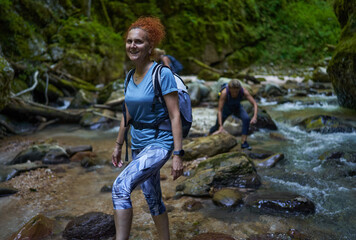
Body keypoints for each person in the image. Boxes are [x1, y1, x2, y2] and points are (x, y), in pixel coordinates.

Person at [111, 17, 184, 240]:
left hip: (159, 144)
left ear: (149, 47)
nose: (132, 46)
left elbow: (175, 115)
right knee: (153, 199)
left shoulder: (162, 74)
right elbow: (127, 113)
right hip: (138, 143)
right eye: (129, 41)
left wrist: (177, 154)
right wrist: (118, 144)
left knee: (120, 188)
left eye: (139, 42)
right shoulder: (129, 76)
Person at [209, 79, 258, 150]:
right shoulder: (224, 93)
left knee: (246, 118)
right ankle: (208, 135)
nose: (235, 93)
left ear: (239, 89)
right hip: (226, 109)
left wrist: (255, 117)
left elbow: (254, 104)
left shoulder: (243, 91)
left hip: (237, 107)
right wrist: (221, 126)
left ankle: (244, 142)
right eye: (233, 92)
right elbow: (219, 110)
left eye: (236, 92)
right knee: (216, 127)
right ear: (229, 89)